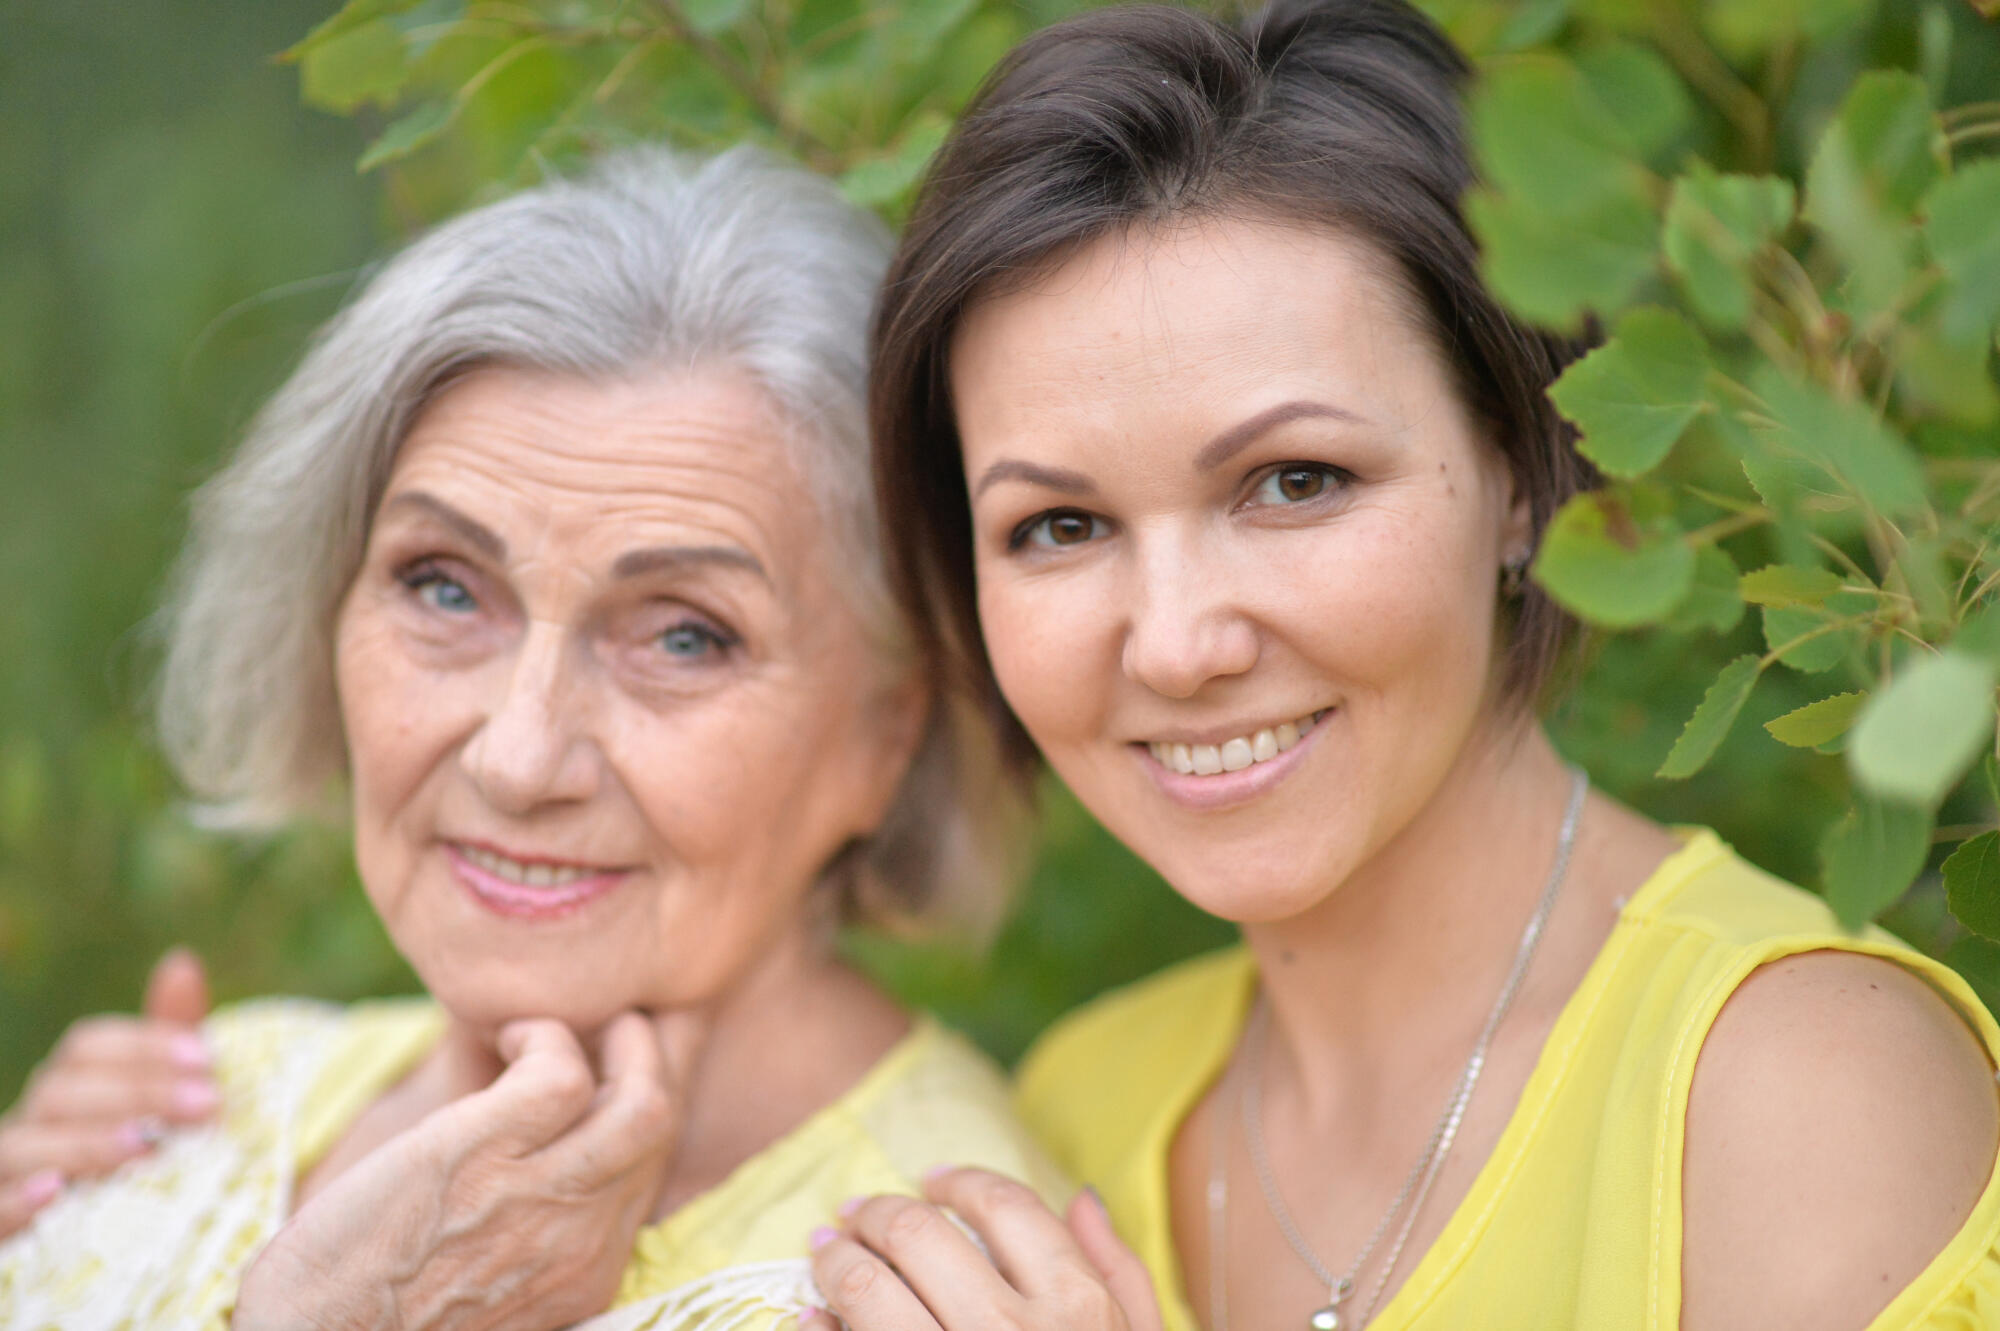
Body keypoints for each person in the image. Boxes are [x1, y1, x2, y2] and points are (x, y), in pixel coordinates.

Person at [803, 3, 2000, 1329]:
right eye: (1060, 526)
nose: (1181, 641)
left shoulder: (1799, 1086)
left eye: (1295, 480)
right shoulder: (1072, 1113)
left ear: (1521, 468)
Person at [0, 145, 1061, 1330]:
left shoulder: (927, 1290)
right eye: (443, 588)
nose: (516, 756)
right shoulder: (214, 1089)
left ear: (886, 732)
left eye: (683, 637)